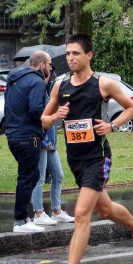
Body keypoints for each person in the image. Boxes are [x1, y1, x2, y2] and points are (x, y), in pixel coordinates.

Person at [42, 33, 133, 264]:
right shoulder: (60, 86)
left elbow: (132, 109)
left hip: (98, 157)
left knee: (82, 214)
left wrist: (111, 126)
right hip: (75, 159)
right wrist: (56, 116)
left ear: (89, 55)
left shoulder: (103, 84)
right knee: (105, 210)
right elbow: (44, 120)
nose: (70, 58)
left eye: (76, 53)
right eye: (68, 54)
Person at [4, 50, 53, 233]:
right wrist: (47, 120)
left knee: (27, 175)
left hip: (13, 135)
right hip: (28, 136)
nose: (50, 68)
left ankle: (24, 217)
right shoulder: (37, 81)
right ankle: (21, 220)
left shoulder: (14, 79)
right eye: (49, 65)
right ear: (41, 64)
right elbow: (35, 109)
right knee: (28, 177)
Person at [30, 70, 75, 226]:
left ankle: (56, 210)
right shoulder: (38, 89)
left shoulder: (48, 88)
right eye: (49, 66)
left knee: (58, 175)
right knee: (40, 177)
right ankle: (38, 212)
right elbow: (40, 116)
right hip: (43, 141)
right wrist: (45, 139)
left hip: (51, 142)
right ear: (42, 66)